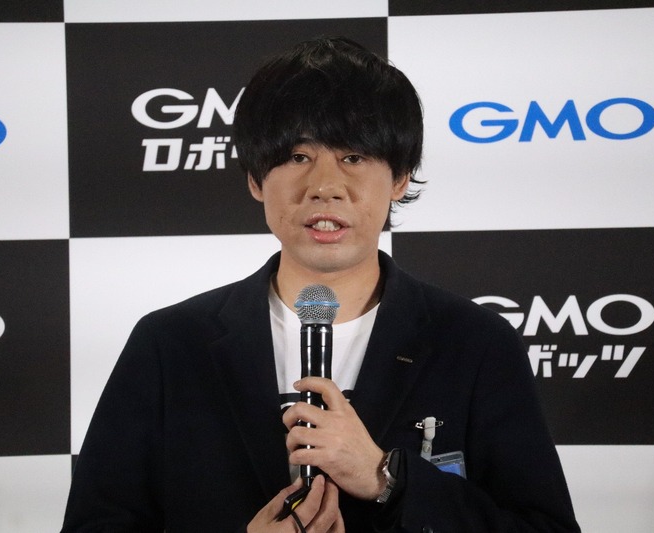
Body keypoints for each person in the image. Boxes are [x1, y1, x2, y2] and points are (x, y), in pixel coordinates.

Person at [61, 37, 580, 532]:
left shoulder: (476, 343)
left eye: (354, 157)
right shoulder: (170, 344)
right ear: (255, 178)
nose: (325, 186)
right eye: (297, 157)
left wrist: (387, 477)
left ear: (400, 177)